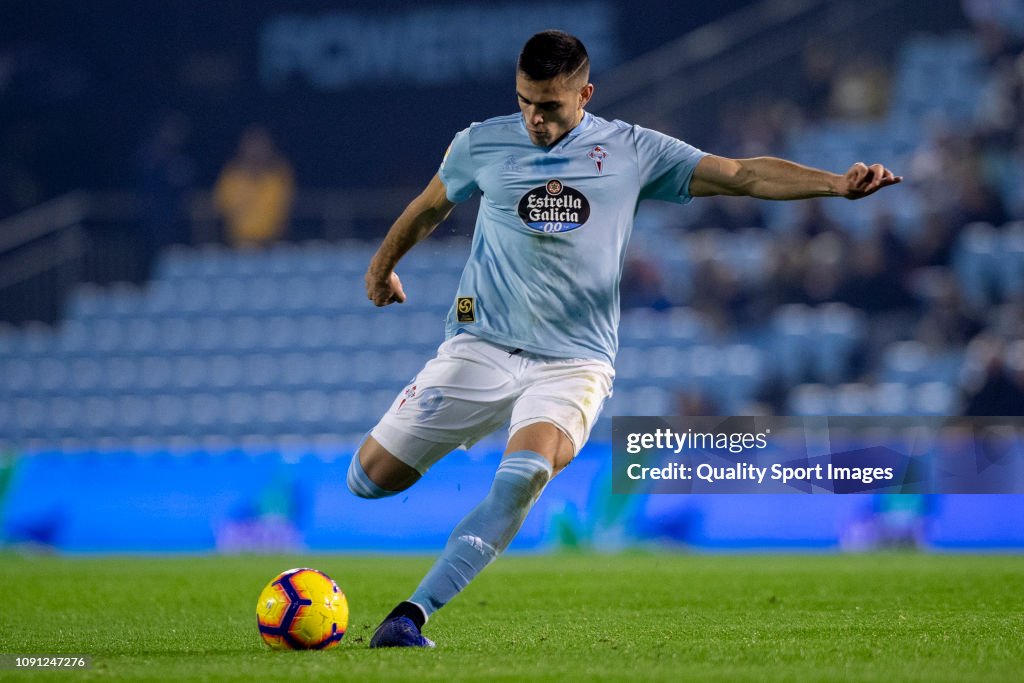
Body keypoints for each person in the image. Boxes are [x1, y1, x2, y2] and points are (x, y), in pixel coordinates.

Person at [352, 30, 901, 648]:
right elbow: (430, 206)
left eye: (551, 105)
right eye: (525, 100)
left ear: (584, 94)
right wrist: (380, 269)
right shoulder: (480, 143)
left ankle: (411, 615)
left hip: (572, 364)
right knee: (369, 480)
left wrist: (834, 183)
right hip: (477, 348)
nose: (535, 117)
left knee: (523, 476)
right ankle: (469, 424)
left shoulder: (631, 149)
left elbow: (742, 174)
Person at [213, 125, 295, 248]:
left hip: (272, 243)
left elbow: (286, 205)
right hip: (237, 244)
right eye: (252, 146)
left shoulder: (279, 174)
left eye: (261, 146)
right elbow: (221, 206)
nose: (256, 151)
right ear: (243, 148)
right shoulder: (232, 174)